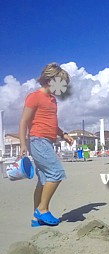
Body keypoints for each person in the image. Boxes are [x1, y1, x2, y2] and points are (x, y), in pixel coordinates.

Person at [18, 63, 74, 226]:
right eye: (61, 83)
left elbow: (51, 123)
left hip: (48, 141)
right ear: (50, 80)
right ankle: (42, 210)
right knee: (56, 173)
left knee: (43, 180)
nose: (63, 87)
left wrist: (62, 134)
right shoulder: (34, 96)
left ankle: (36, 218)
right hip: (37, 140)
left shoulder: (52, 100)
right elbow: (23, 121)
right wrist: (23, 144)